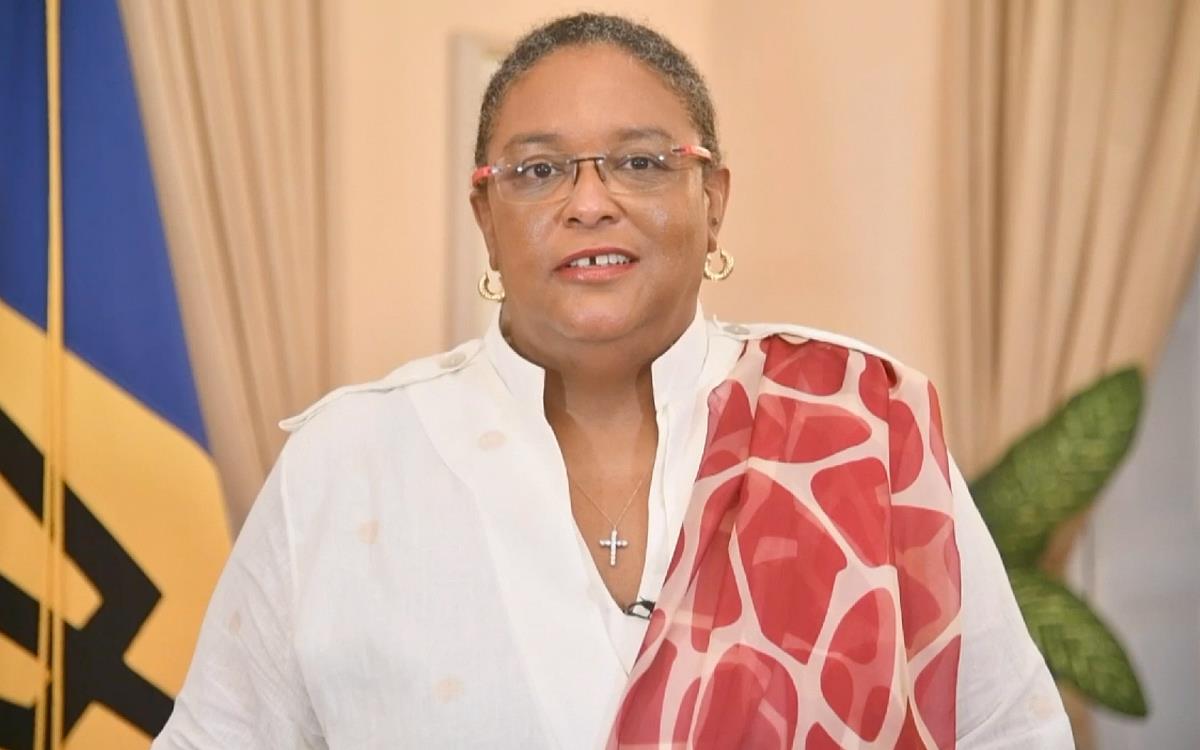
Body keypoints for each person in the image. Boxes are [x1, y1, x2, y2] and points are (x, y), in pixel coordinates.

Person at [153, 12, 1072, 749]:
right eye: (539, 169)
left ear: (711, 199)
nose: (589, 201)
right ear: (486, 213)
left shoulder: (859, 430)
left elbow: (1010, 731)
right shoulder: (349, 461)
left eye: (640, 161)